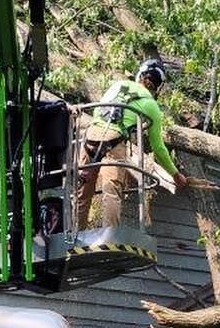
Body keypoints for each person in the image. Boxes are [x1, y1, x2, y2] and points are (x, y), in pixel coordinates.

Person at [76, 58, 190, 228]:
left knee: (83, 189)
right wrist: (175, 175)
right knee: (112, 191)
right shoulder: (151, 105)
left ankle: (77, 232)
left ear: (140, 75)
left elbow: (99, 109)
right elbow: (158, 148)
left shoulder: (118, 85)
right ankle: (110, 235)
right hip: (113, 141)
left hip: (90, 136)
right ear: (158, 86)